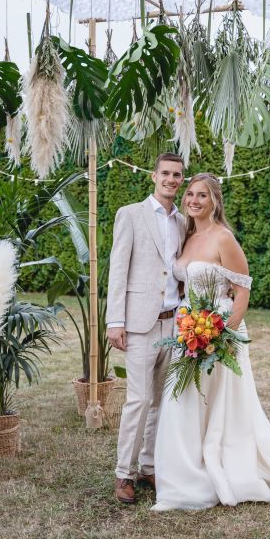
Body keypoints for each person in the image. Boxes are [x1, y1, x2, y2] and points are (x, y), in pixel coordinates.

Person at [152, 173, 270, 511]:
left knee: (218, 406)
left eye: (203, 196)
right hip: (188, 329)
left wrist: (221, 335)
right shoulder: (188, 234)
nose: (194, 200)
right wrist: (191, 327)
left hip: (217, 332)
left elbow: (242, 291)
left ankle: (221, 469)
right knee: (183, 400)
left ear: (215, 202)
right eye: (191, 194)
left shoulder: (224, 238)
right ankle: (183, 476)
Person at [107, 153, 186, 504]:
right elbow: (118, 270)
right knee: (138, 400)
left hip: (172, 324)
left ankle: (148, 467)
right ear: (154, 176)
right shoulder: (131, 215)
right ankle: (123, 473)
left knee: (160, 402)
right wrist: (115, 321)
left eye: (177, 175)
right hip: (138, 325)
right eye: (166, 173)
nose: (171, 179)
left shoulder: (183, 222)